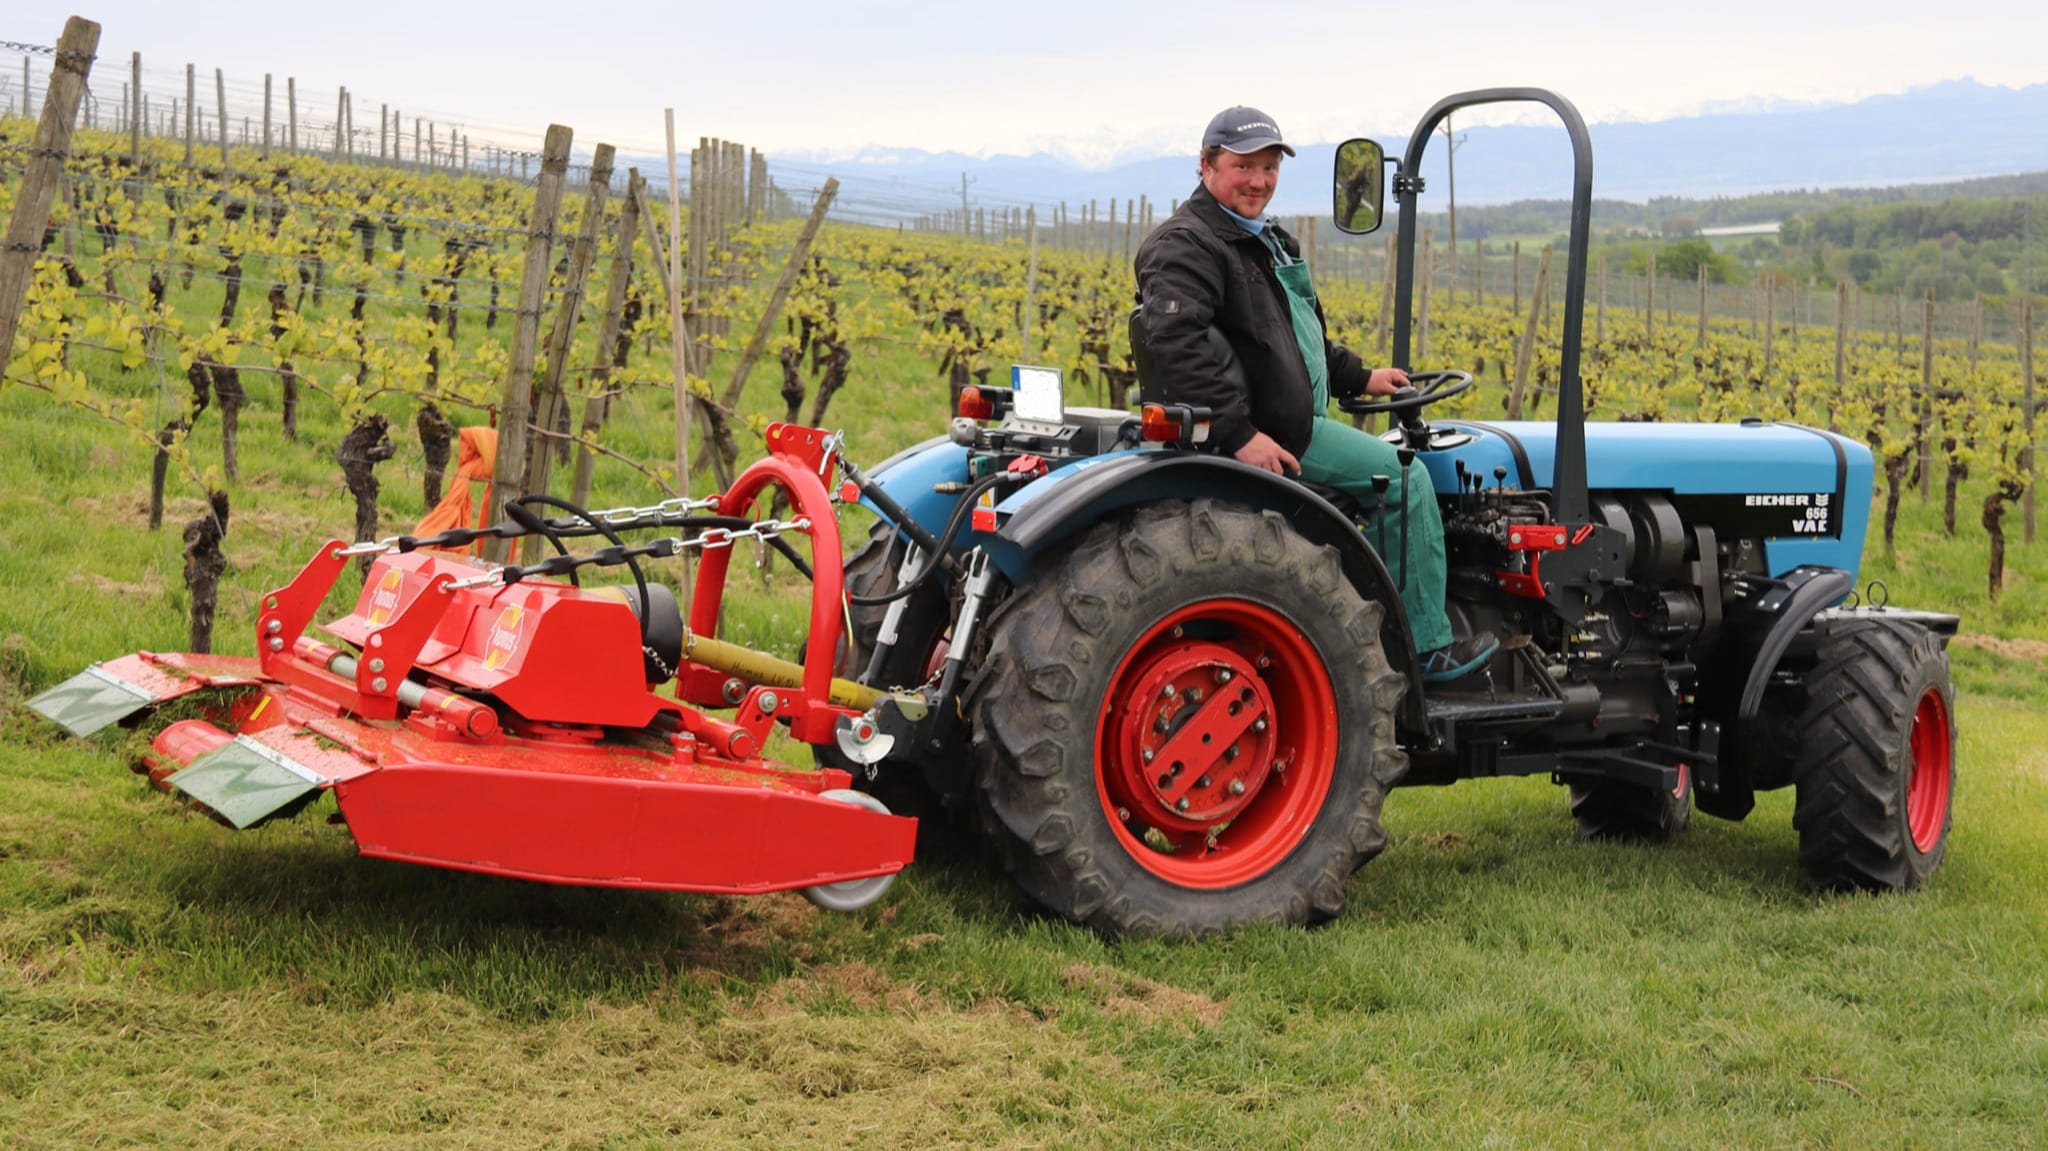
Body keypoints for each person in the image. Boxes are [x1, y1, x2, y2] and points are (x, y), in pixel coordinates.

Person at [1133, 105, 1497, 683]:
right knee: (1407, 479)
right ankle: (1422, 648)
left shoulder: (1267, 240)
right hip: (1277, 430)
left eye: (1269, 167)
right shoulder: (1189, 244)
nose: (1258, 180)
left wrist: (1360, 377)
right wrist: (1242, 435)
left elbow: (1296, 338)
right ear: (1206, 166)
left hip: (1280, 416)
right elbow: (1175, 345)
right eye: (1243, 166)